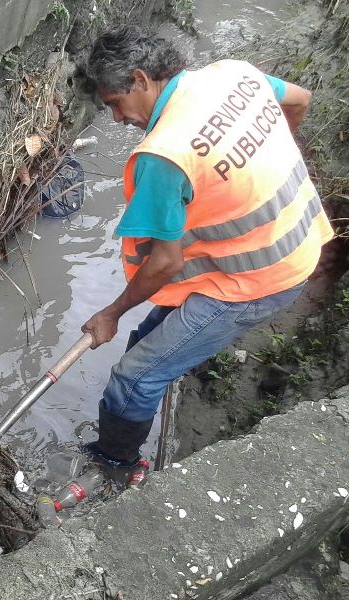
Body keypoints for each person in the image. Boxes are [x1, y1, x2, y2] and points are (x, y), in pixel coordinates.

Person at [80, 26, 334, 469]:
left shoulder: (164, 156)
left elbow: (164, 261)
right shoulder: (234, 75)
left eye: (115, 104)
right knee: (147, 339)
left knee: (132, 381)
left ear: (141, 80)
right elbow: (300, 99)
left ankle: (114, 466)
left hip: (257, 278)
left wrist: (109, 315)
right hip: (301, 238)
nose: (117, 119)